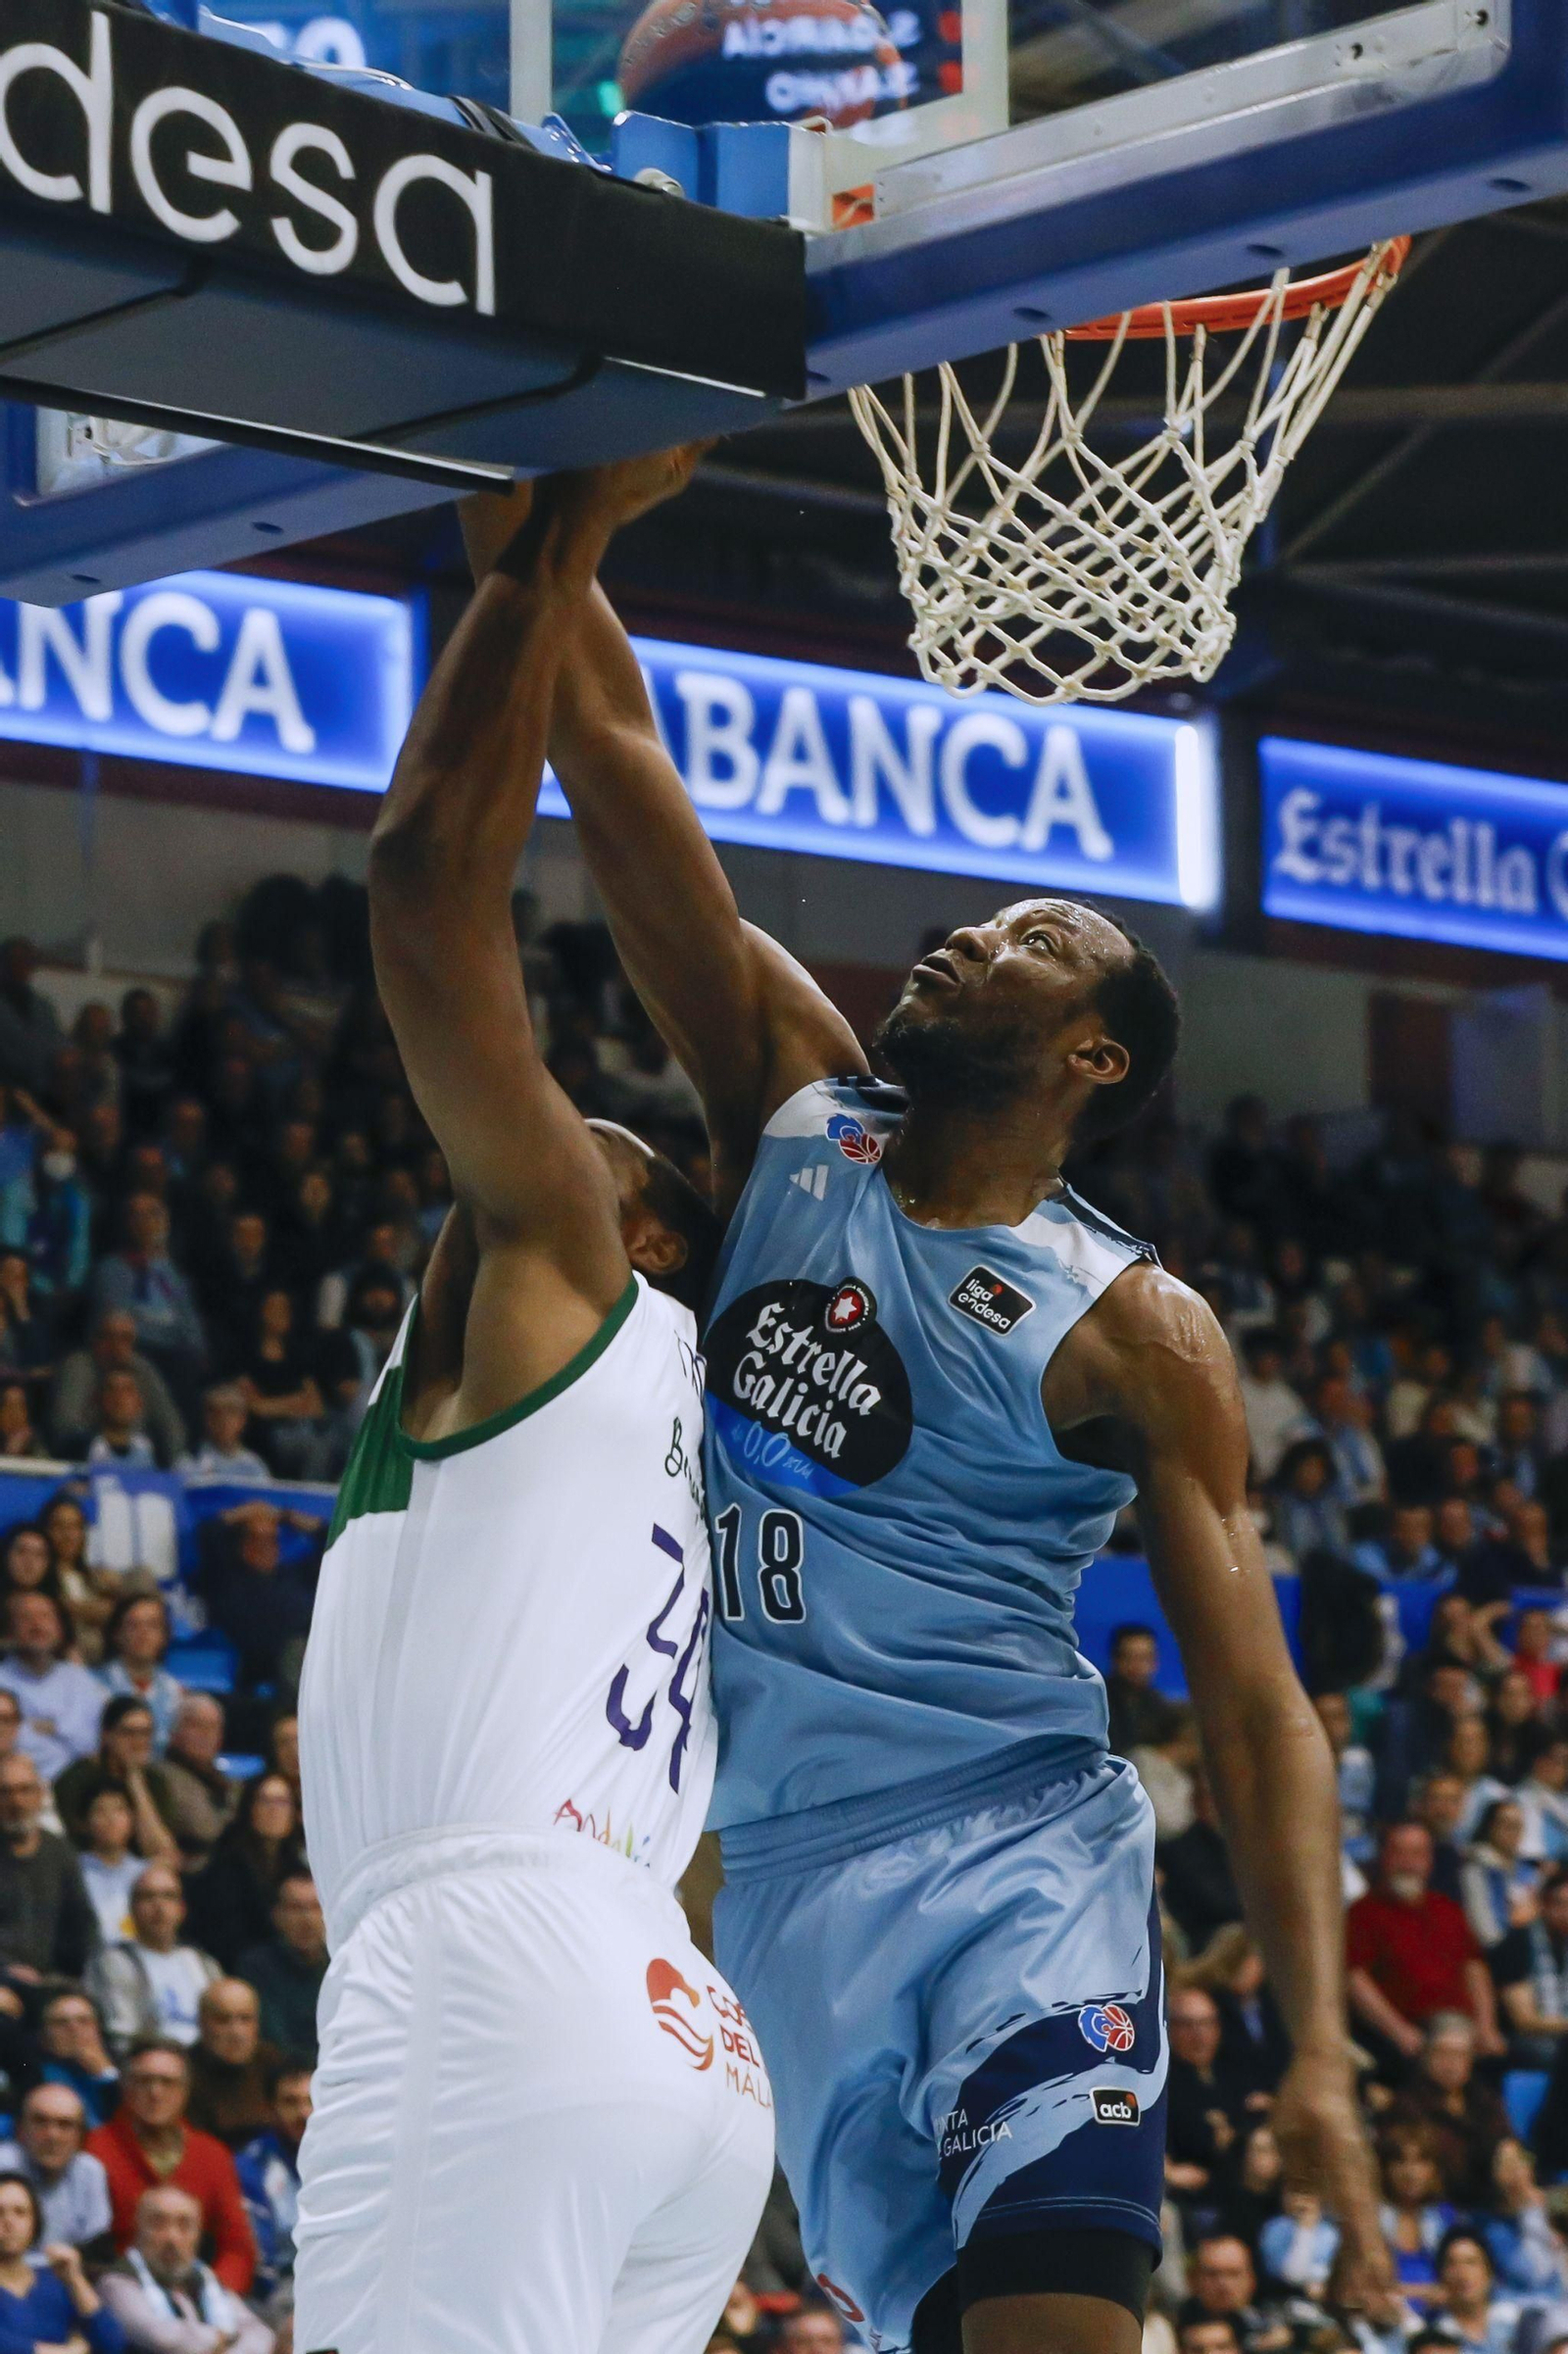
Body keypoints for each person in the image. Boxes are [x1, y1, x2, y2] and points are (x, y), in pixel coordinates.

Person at [525, 456, 1393, 2354]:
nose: (962, 935)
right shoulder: (788, 1115)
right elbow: (597, 741)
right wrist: (540, 493)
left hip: (1013, 1849)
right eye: (974, 920)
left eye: (1024, 938)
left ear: (1091, 1050)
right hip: (772, 1882)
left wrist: (1316, 2048)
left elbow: (1251, 1706)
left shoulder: (1130, 1331)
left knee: (1053, 2320)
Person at [289, 465, 774, 2354]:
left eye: (598, 1145)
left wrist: (562, 523)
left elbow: (425, 878)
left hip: (497, 1956)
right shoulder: (740, 1438)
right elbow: (637, 767)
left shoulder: (575, 1269)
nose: (549, 1130)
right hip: (674, 2016)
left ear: (636, 1217)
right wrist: (537, 554)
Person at [87, 2039, 255, 2293]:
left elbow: (237, 2247)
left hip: (194, 2293)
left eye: (168, 2082)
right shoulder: (95, 2148)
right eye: (144, 2081)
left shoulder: (212, 2155)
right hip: (117, 2291)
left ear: (185, 2091)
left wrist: (215, 2295)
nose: (156, 2093)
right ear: (125, 2087)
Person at [1347, 1823, 1504, 2068]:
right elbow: (1354, 1979)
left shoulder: (1448, 1910)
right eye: (1399, 1853)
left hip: (1464, 2029)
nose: (1409, 1864)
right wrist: (1399, 2031)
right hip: (1410, 2033)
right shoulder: (1363, 1914)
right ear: (1383, 1857)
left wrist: (1487, 2027)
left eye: (1418, 1854)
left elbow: (1475, 1969)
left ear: (1430, 1860)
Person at [99, 2182, 273, 2354]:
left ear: (198, 2235)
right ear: (138, 2229)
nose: (172, 2238)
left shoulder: (206, 2280)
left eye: (184, 2225)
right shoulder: (116, 2281)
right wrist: (218, 2339)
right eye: (158, 2224)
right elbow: (160, 2336)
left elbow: (261, 2334)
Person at [87, 1867, 220, 2056]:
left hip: (205, 2066)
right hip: (151, 2065)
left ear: (182, 1909)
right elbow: (122, 2037)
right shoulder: (114, 1962)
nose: (159, 1907)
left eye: (168, 1896)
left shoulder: (203, 1963)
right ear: (132, 1909)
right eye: (148, 1897)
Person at [1386, 2014, 1508, 2209]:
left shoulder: (1482, 2098)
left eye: (1460, 2054)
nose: (1451, 2064)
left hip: (1490, 2203)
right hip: (1436, 2207)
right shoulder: (1407, 2104)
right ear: (1426, 2056)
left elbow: (1504, 2142)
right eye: (1442, 2053)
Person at [183, 1776, 304, 1974]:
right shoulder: (225, 1866)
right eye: (265, 1801)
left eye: (282, 1802)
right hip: (236, 1968)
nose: (274, 1810)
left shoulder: (298, 1867)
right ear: (249, 1808)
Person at [0, 2169, 123, 2354]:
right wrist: (68, 2351)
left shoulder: (56, 2281)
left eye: (20, 2212)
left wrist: (75, 2280)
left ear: (35, 2223)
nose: (9, 2221)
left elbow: (111, 2343)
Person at [0, 1750, 98, 1983]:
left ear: (40, 1795)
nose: (17, 1802)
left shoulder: (60, 1852)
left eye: (25, 1790)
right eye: (5, 1792)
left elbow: (82, 1928)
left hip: (53, 1982)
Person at [0, 1593, 111, 1780]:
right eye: (26, 1617)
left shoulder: (81, 1679)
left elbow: (95, 1740)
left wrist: (55, 1727)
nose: (37, 1625)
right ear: (11, 1630)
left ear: (59, 1629)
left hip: (81, 1786)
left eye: (45, 1616)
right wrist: (69, 1731)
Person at [55, 1699, 179, 1862]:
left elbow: (161, 1852)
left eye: (145, 1733)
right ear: (107, 1735)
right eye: (129, 1733)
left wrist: (135, 1781)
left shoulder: (155, 1780)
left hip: (142, 1871)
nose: (139, 1742)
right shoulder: (75, 1779)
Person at [0, 2083, 115, 2256]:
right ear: (21, 2128)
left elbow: (94, 2246)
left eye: (65, 2125)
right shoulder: (3, 2163)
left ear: (81, 2135)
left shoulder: (90, 2172)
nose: (52, 2135)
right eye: (40, 2122)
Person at [235, 2061, 311, 2303]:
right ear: (269, 2109)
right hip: (280, 2289)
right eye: (290, 2102)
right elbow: (259, 2258)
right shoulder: (251, 2166)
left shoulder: (348, 2161)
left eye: (312, 2100)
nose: (304, 2113)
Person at [234, 1874, 323, 2063]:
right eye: (296, 1908)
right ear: (277, 1915)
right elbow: (273, 2039)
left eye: (315, 1908)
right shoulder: (257, 1967)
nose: (307, 1918)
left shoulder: (340, 1966)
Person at [184, 1980, 279, 2151]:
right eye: (222, 2020)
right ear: (201, 2023)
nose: (236, 2032)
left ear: (257, 2023)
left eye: (245, 2019)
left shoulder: (275, 2065)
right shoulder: (183, 2073)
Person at [1490, 1863, 1568, 2068]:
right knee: (1554, 2055)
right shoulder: (1517, 1943)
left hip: (1562, 2034)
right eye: (1560, 1904)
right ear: (1543, 1905)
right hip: (1526, 2039)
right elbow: (1524, 2021)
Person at [95, 1598, 183, 1758]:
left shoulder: (174, 1690)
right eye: (133, 1625)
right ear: (117, 1633)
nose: (143, 1633)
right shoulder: (92, 1684)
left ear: (164, 1636)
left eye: (152, 1625)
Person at [157, 1699, 236, 1873]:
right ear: (174, 1732)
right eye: (196, 1725)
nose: (205, 1734)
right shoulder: (159, 1778)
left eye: (213, 1727)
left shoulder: (228, 1784)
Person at [1426, 2227, 1520, 2354]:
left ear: (1489, 2271)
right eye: (1453, 2264)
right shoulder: (1436, 2337)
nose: (1463, 2274)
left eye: (1471, 2262)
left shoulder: (1516, 2320)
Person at [76, 1787, 151, 1948]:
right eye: (100, 1811)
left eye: (119, 1810)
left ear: (132, 1819)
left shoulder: (146, 1874)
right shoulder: (74, 1872)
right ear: (84, 1823)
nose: (111, 1819)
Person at [1458, 1798, 1538, 1950]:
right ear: (1490, 1827)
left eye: (1517, 1826)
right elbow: (1486, 1933)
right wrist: (1515, 1923)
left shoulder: (1527, 1870)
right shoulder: (1475, 1868)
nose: (1513, 1832)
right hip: (1495, 1952)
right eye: (1506, 1825)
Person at [36, 1989, 120, 2129]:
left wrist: (107, 2075)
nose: (74, 2029)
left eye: (84, 2021)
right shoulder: (34, 2074)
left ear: (98, 2029)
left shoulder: (118, 2071)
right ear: (45, 2034)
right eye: (61, 2023)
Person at [1104, 1625, 1179, 1757]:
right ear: (1116, 1659)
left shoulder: (1156, 1703)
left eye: (1145, 1658)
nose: (1138, 1666)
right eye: (1131, 1657)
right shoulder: (1099, 1701)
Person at [176, 1385, 270, 1485]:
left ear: (242, 1419)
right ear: (206, 1419)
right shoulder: (189, 1462)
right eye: (215, 1413)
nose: (224, 1420)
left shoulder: (254, 1465)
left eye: (231, 1412)